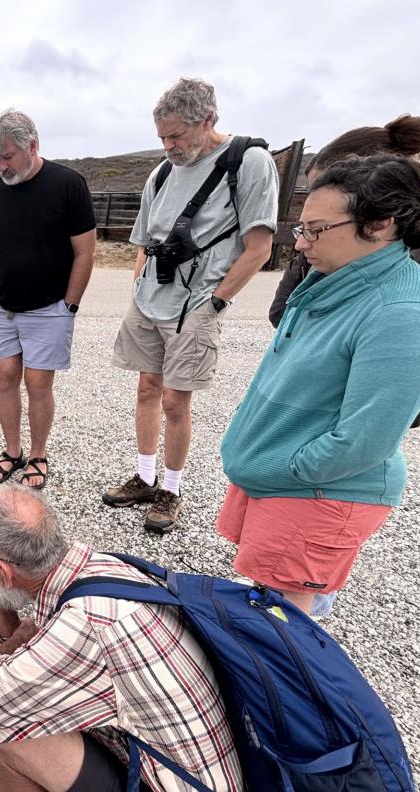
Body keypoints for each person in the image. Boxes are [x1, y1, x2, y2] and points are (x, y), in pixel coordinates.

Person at [218, 154, 420, 616]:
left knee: (283, 625)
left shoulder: (405, 314)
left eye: (316, 230)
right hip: (284, 480)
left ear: (381, 224)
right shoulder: (334, 281)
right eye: (301, 228)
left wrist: (274, 465)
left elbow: (363, 442)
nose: (301, 243)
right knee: (267, 606)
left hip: (315, 490)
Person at [0, 484, 243, 792]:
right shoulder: (101, 568)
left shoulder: (83, 628)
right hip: (199, 766)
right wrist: (4, 606)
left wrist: (9, 647)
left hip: (170, 781)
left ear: (2, 573)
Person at [103, 77, 278, 533]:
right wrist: (138, 288)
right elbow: (143, 240)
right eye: (161, 136)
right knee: (146, 388)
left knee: (176, 401)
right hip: (150, 299)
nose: (168, 145)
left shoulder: (249, 162)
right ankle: (143, 477)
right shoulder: (161, 171)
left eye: (177, 135)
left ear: (208, 121)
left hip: (197, 303)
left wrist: (216, 305)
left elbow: (259, 246)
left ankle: (170, 489)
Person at [0, 109, 96, 490]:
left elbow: (86, 252)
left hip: (49, 309)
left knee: (39, 384)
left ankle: (38, 454)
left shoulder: (67, 184)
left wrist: (70, 306)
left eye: (8, 157)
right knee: (4, 378)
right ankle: (12, 451)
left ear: (32, 145)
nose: (1, 166)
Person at [269, 114, 420, 327]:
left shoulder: (402, 311)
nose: (316, 198)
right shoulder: (326, 236)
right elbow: (283, 312)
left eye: (330, 186)